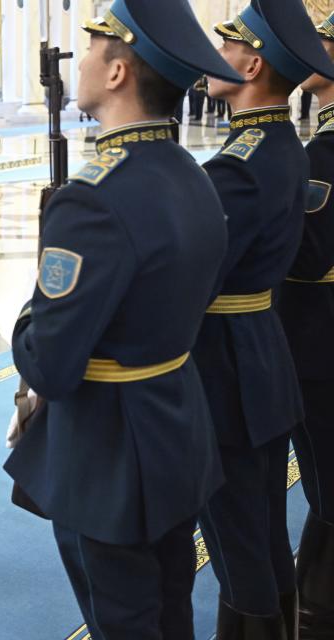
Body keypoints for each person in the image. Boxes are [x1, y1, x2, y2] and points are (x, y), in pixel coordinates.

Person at [4, 0, 243, 636]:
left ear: (116, 74)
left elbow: (50, 363)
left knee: (124, 619)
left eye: (89, 48)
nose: (76, 61)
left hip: (107, 451)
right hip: (175, 423)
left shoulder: (93, 198)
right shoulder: (193, 174)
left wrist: (28, 317)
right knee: (169, 607)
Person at [196, 0, 334, 634]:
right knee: (260, 536)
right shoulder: (281, 144)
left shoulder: (240, 163)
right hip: (264, 356)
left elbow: (190, 280)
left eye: (227, 48)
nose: (214, 59)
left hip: (228, 369)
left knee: (238, 545)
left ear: (252, 62)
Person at [276, 9, 334, 636]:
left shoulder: (323, 153)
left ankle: (320, 596)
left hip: (320, 337)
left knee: (323, 470)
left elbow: (311, 257)